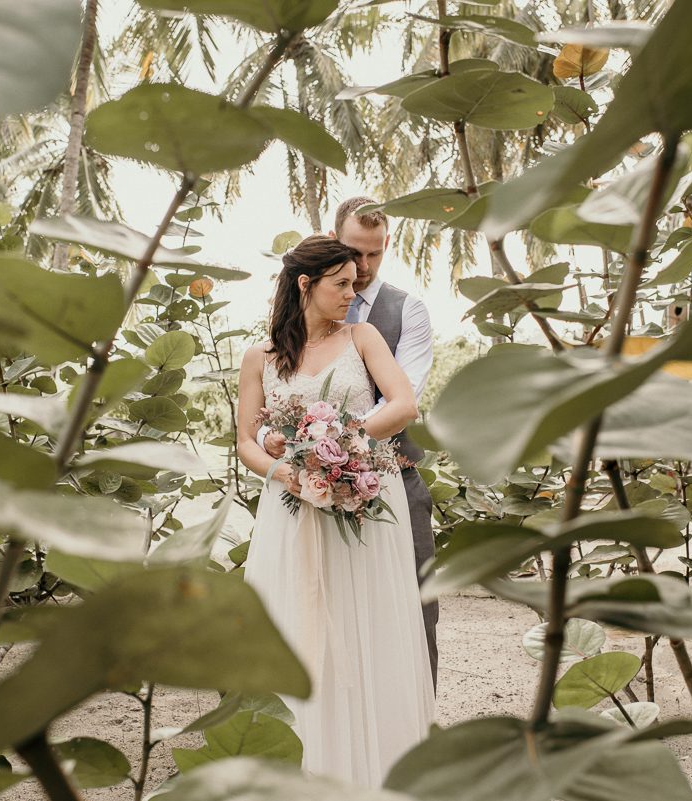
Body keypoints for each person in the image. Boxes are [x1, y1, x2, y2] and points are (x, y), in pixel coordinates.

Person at [237, 235, 435, 787]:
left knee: (363, 627)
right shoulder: (259, 358)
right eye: (341, 283)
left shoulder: (363, 337)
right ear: (306, 284)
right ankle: (303, 767)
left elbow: (402, 404)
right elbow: (247, 442)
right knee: (299, 626)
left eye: (356, 282)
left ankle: (374, 774)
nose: (353, 291)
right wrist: (291, 471)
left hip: (362, 495)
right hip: (292, 505)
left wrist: (340, 442)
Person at [262, 197, 439, 690]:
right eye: (352, 255)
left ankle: (407, 727)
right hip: (305, 485)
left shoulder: (406, 312)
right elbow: (273, 397)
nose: (361, 269)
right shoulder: (294, 323)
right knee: (317, 608)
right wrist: (276, 443)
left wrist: (326, 446)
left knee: (412, 608)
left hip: (390, 476)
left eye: (373, 256)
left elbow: (400, 399)